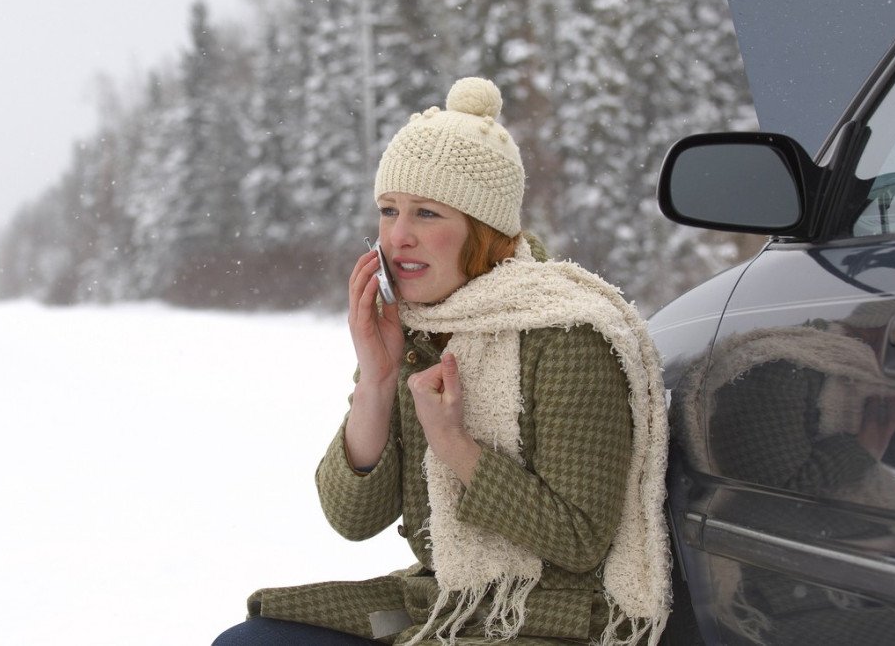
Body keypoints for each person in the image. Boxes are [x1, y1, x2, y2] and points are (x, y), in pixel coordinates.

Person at [213, 77, 671, 645]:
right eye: (388, 210)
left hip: (551, 616)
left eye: (427, 213)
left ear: (482, 231)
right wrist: (376, 382)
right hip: (446, 600)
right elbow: (352, 520)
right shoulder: (411, 332)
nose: (398, 235)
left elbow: (579, 541)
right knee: (251, 642)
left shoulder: (565, 334)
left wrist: (454, 445)